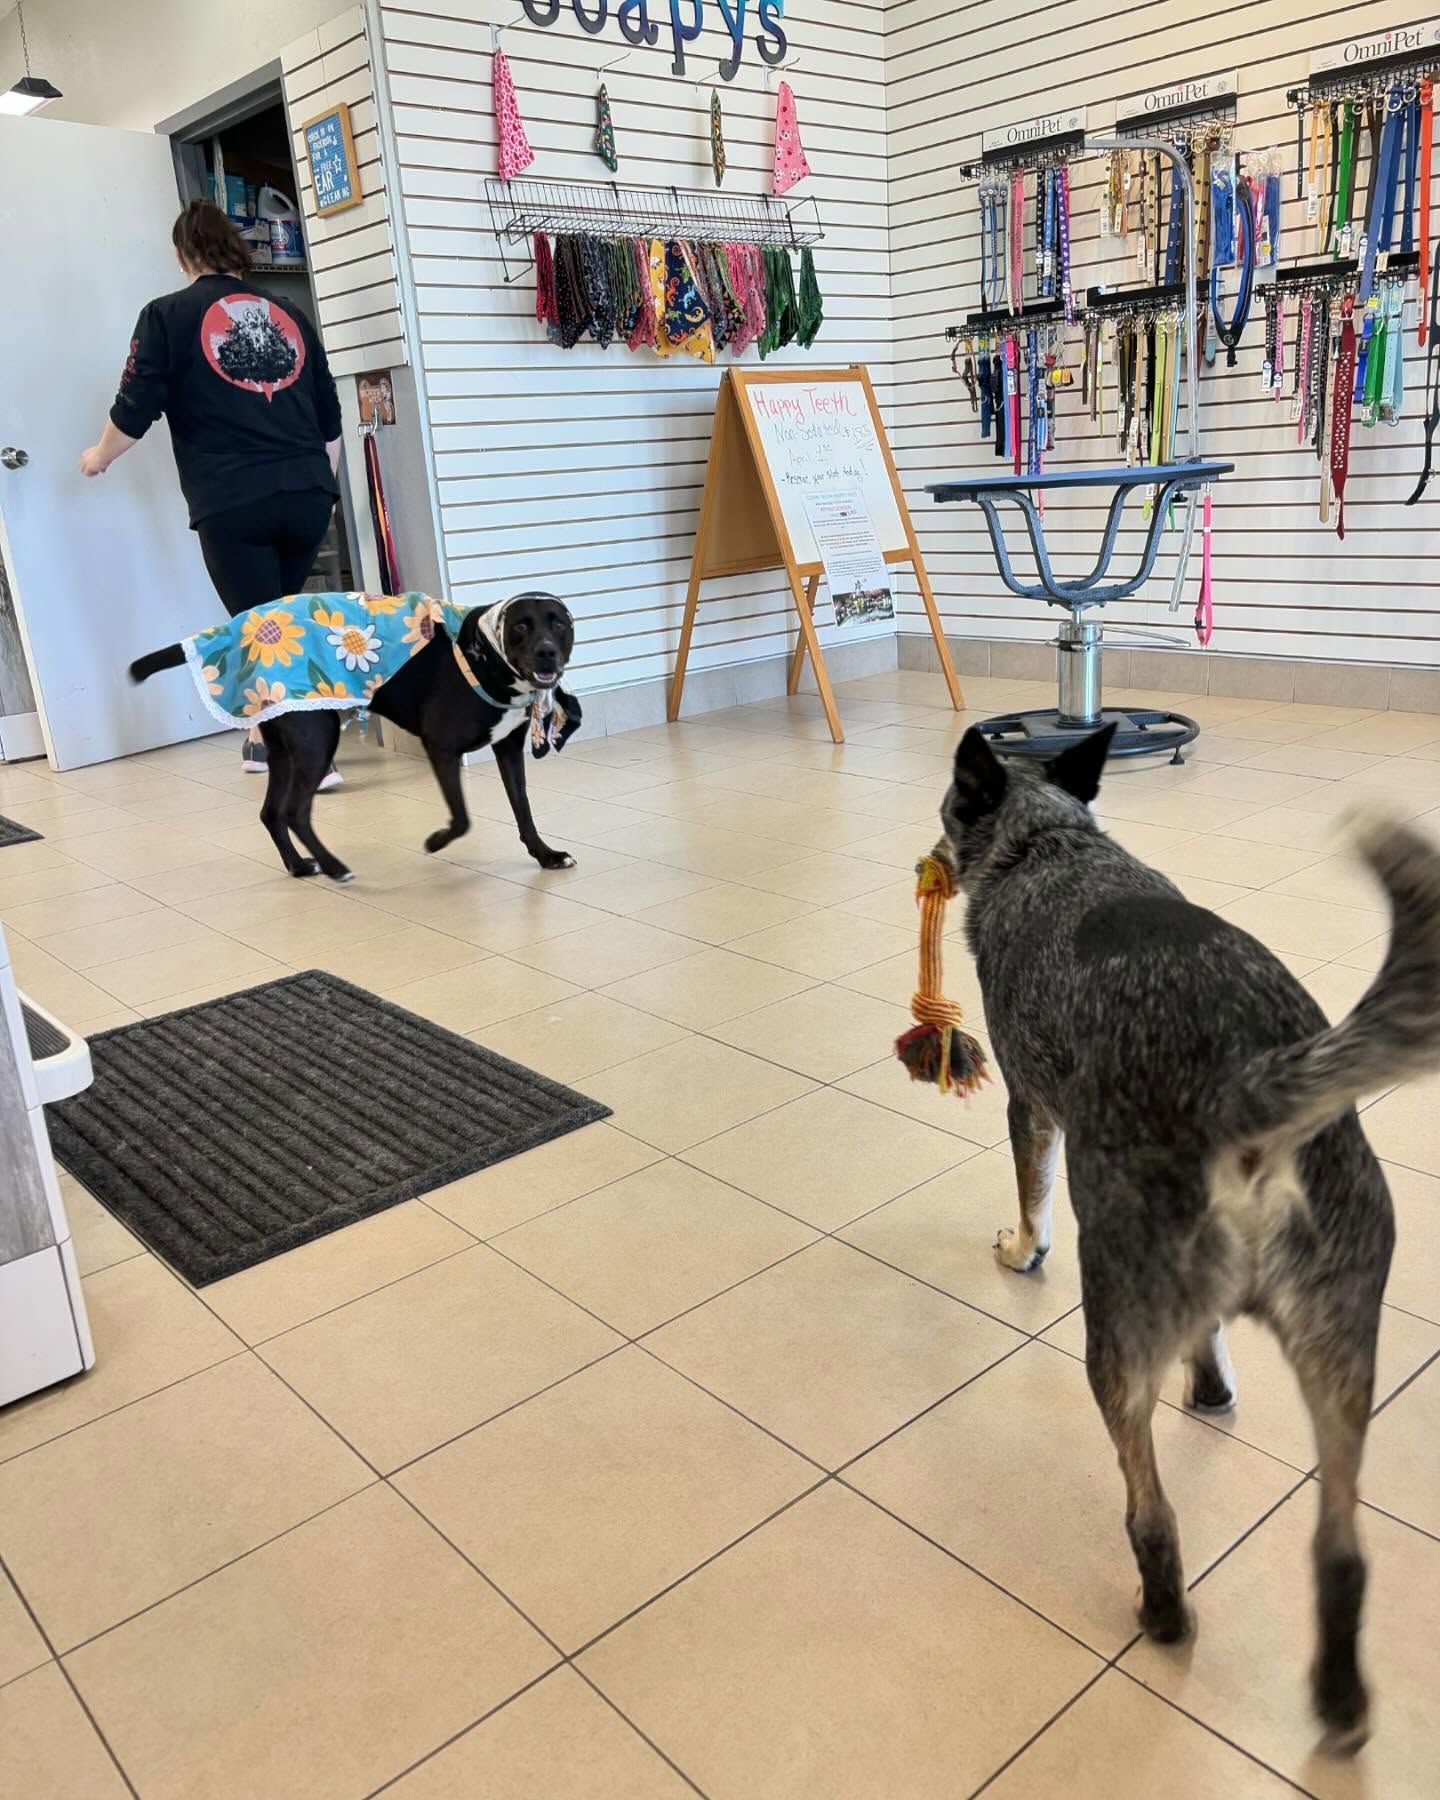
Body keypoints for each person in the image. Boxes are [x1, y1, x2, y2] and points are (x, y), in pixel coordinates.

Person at [80, 199, 345, 784]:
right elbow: (330, 418)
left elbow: (136, 404)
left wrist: (99, 456)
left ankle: (307, 758)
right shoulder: (289, 313)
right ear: (236, 251)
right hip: (306, 490)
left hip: (234, 497)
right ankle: (261, 738)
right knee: (279, 617)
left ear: (182, 256)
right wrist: (322, 487)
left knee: (261, 629)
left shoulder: (166, 315)